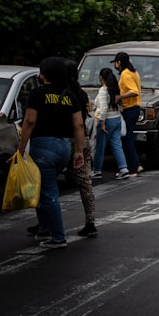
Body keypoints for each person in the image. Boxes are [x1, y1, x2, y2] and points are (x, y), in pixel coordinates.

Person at [17, 57, 86, 249]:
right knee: (43, 187)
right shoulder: (69, 95)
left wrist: (20, 150)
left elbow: (29, 122)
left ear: (44, 74)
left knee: (48, 192)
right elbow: (79, 125)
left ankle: (58, 237)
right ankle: (45, 229)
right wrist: (78, 151)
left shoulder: (37, 93)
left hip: (43, 147)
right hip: (64, 147)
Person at [66, 60, 98, 238]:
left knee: (48, 181)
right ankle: (90, 221)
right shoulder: (82, 94)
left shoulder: (65, 94)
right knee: (85, 182)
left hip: (68, 139)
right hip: (84, 139)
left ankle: (46, 224)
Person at [92, 67, 128, 180]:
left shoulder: (103, 90)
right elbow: (120, 106)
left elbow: (103, 109)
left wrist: (102, 124)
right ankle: (123, 168)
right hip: (117, 119)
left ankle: (97, 170)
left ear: (101, 78)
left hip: (106, 121)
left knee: (100, 147)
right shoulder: (115, 89)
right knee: (117, 145)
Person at [113, 51, 143, 175]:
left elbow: (134, 91)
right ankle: (137, 164)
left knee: (127, 139)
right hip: (135, 108)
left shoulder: (125, 74)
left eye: (115, 63)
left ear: (119, 63)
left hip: (129, 109)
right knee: (129, 137)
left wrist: (120, 97)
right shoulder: (134, 72)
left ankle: (132, 168)